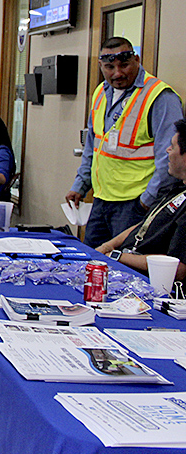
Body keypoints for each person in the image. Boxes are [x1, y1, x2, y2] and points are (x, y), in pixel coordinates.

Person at [67, 37, 182, 247]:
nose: (117, 73)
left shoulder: (159, 96)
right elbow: (93, 146)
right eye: (110, 67)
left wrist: (146, 202)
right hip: (102, 199)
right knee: (92, 263)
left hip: (134, 204)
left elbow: (170, 158)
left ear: (137, 60)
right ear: (101, 65)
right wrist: (81, 184)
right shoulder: (101, 93)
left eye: (124, 65)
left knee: (123, 268)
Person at [96, 119, 186, 281]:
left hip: (146, 278)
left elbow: (177, 268)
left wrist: (116, 256)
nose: (167, 151)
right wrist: (107, 246)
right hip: (124, 261)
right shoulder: (175, 188)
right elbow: (144, 225)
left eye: (172, 147)